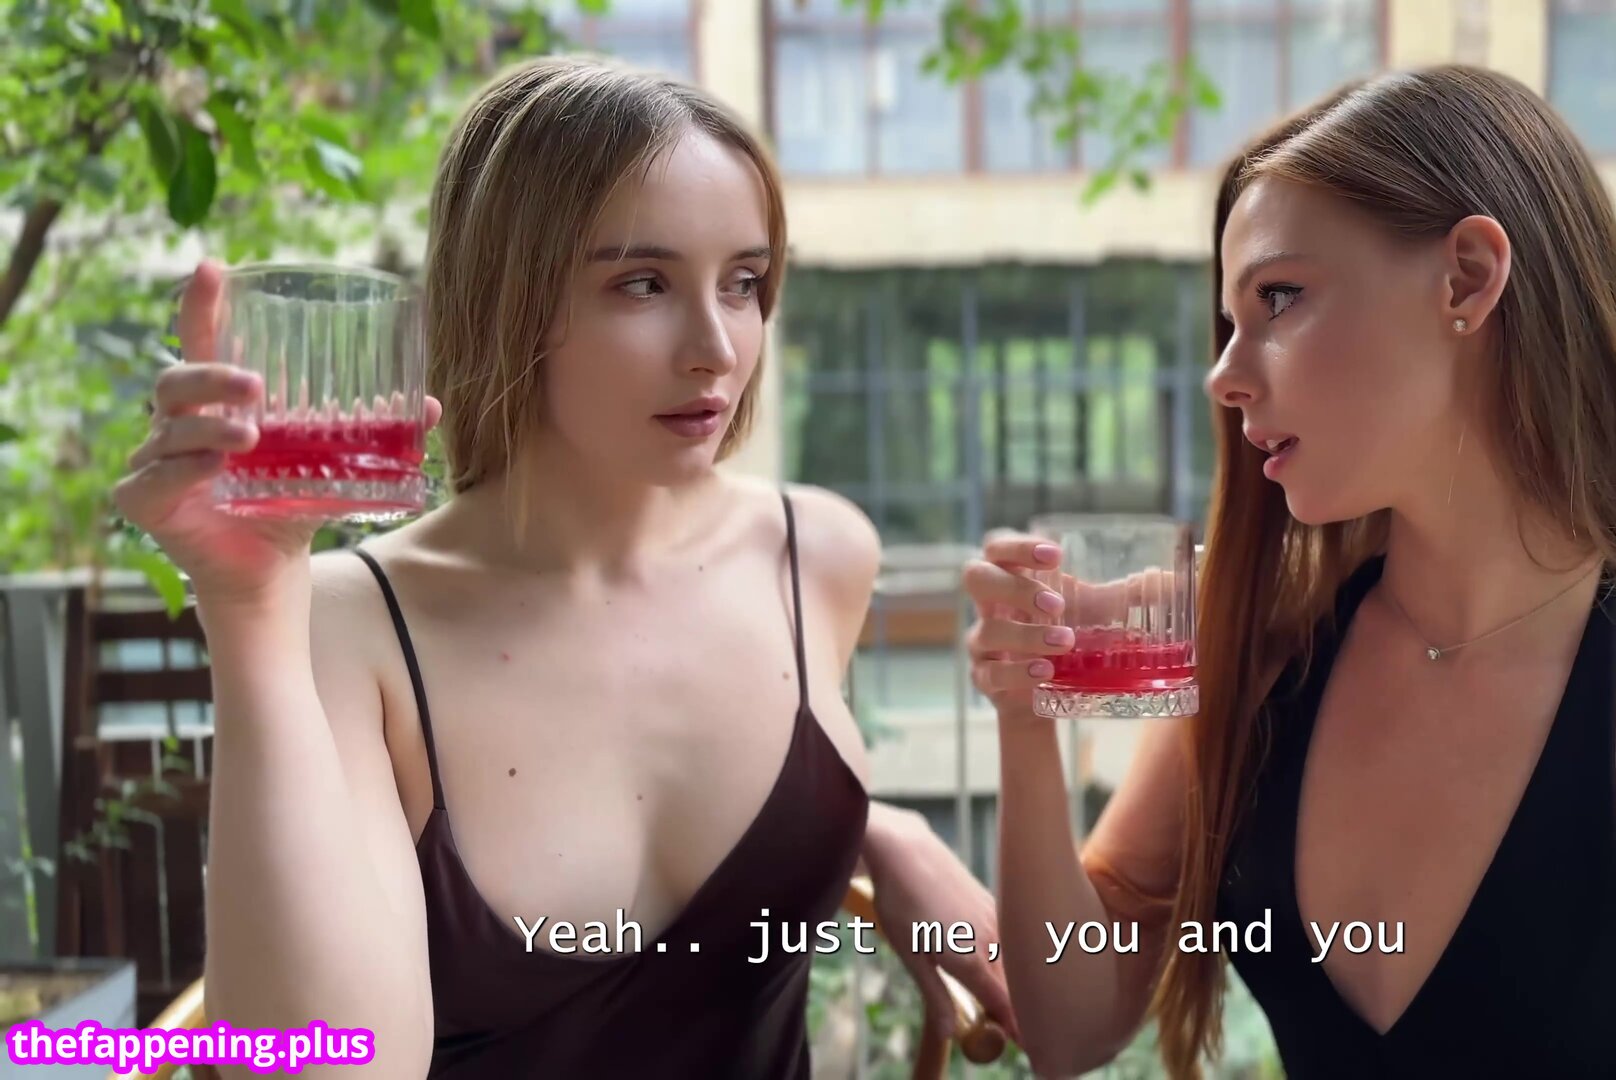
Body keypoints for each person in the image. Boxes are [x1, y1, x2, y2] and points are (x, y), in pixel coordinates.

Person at [966, 65, 1616, 1079]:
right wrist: (1025, 718)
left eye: (1278, 297)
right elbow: (1072, 1023)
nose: (1223, 374)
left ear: (1468, 280)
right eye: (1230, 321)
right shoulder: (1263, 645)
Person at [115, 55, 1011, 1078]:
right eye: (643, 283)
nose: (717, 348)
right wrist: (247, 605)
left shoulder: (818, 557)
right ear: (512, 298)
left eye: (743, 283)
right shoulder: (344, 626)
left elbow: (712, 844)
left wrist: (878, 830)